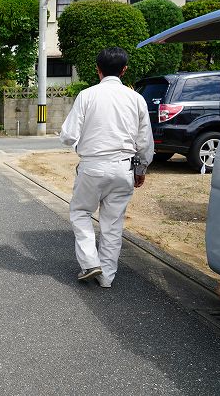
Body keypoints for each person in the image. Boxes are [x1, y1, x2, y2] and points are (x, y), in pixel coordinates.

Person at [60, 47, 153, 288]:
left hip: (92, 166)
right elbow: (145, 142)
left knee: (81, 213)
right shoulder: (136, 99)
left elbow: (69, 136)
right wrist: (140, 170)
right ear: (124, 70)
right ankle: (106, 277)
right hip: (124, 168)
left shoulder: (87, 95)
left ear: (97, 69)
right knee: (113, 224)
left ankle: (90, 262)